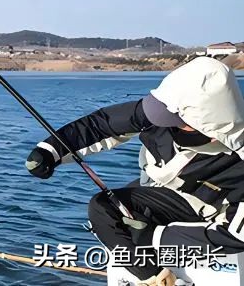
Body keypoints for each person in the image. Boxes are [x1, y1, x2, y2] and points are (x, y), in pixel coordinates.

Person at [25, 57, 244, 286]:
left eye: (175, 121)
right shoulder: (167, 108)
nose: (162, 123)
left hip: (205, 215)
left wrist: (154, 236)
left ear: (209, 129)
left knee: (104, 209)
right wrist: (51, 150)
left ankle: (155, 278)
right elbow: (102, 124)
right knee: (119, 214)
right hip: (161, 190)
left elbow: (236, 235)